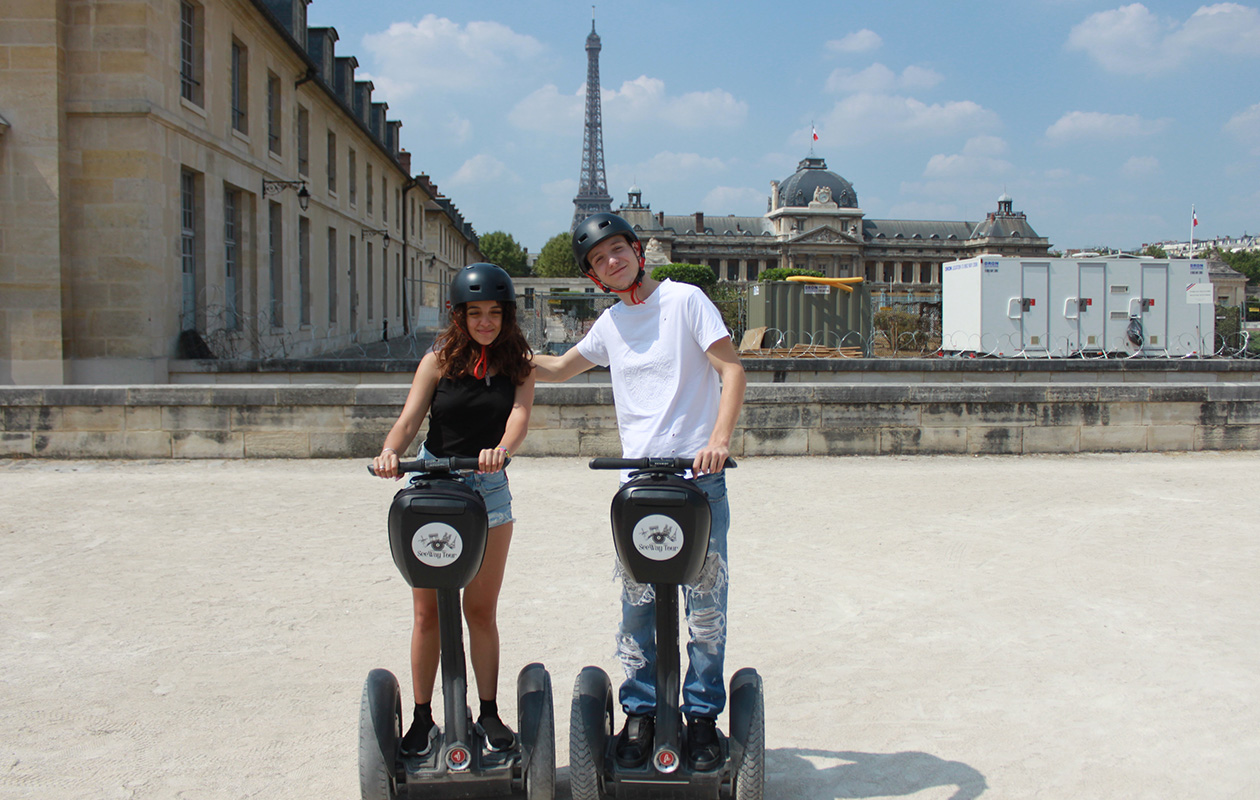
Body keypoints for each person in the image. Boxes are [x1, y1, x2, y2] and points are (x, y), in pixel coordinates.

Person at [531, 213, 747, 771]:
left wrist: (718, 440)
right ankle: (642, 710)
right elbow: (555, 369)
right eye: (599, 260)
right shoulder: (609, 326)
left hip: (698, 480)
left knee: (705, 607)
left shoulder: (686, 301)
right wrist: (484, 349)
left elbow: (732, 370)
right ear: (595, 277)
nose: (611, 261)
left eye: (617, 250)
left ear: (636, 250)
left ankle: (701, 716)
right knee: (638, 605)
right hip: (639, 484)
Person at [372, 263, 535, 757]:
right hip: (434, 489)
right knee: (427, 614)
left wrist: (500, 451)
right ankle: (424, 717)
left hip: (488, 490)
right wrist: (388, 452)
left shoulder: (518, 363)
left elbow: (520, 416)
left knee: (480, 611)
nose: (485, 322)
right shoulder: (439, 359)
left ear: (507, 316)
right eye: (474, 313)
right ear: (458, 315)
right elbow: (409, 421)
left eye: (494, 313)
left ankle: (487, 712)